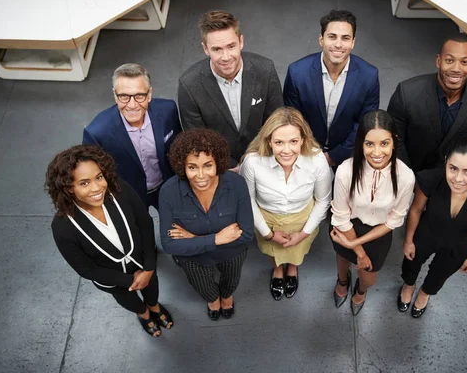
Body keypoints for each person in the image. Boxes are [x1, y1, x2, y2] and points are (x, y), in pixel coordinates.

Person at [47, 145, 173, 337]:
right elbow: (86, 269)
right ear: (68, 188)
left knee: (152, 289)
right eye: (84, 183)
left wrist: (148, 268)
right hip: (114, 281)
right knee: (129, 301)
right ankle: (145, 314)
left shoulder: (120, 191)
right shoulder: (63, 226)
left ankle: (154, 307)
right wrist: (130, 280)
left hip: (144, 263)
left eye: (98, 177)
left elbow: (145, 224)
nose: (97, 188)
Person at [398, 136, 467, 318]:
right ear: (446, 163)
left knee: (440, 274)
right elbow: (416, 210)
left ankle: (424, 293)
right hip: (426, 235)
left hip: (459, 244)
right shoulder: (432, 179)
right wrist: (409, 240)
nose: (458, 179)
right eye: (453, 169)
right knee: (411, 264)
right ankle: (408, 285)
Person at [159, 129, 254, 320]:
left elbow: (246, 235)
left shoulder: (236, 184)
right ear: (182, 167)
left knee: (231, 281)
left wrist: (193, 239)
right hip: (195, 259)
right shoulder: (169, 192)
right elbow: (169, 244)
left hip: (231, 253)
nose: (201, 175)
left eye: (207, 165)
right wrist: (216, 239)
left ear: (217, 163)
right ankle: (213, 301)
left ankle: (226, 297)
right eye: (192, 167)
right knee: (203, 286)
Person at [240, 107, 332, 300]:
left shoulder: (317, 160)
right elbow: (248, 201)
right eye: (279, 142)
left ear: (303, 140)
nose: (286, 150)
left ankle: (292, 269)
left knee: (297, 250)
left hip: (303, 218)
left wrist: (303, 234)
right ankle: (277, 271)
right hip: (266, 219)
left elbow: (323, 201)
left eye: (293, 141)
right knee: (273, 252)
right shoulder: (252, 162)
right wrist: (269, 234)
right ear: (269, 142)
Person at [330, 110, 415, 315]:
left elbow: (394, 220)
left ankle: (360, 290)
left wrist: (355, 246)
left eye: (384, 143)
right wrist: (356, 248)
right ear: (361, 143)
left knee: (369, 277)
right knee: (342, 259)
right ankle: (343, 281)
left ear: (394, 142)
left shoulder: (405, 176)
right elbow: (341, 217)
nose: (377, 152)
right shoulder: (345, 171)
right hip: (347, 227)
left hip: (379, 231)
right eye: (369, 144)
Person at [177, 10, 283, 169]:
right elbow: (199, 139)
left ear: (241, 42)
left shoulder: (265, 70)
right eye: (217, 49)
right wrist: (228, 167)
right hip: (223, 167)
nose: (226, 57)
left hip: (264, 157)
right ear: (205, 49)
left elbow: (276, 121)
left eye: (231, 46)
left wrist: (255, 159)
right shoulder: (189, 85)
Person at [283, 9, 379, 168]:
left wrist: (333, 157)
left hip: (348, 155)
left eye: (345, 38)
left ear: (353, 42)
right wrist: (312, 154)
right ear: (321, 39)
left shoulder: (369, 76)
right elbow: (293, 119)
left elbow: (364, 124)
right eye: (332, 37)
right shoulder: (297, 73)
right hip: (304, 153)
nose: (338, 44)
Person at [387, 33, 467, 172]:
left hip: (450, 177)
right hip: (409, 170)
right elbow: (394, 139)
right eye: (449, 60)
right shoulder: (406, 93)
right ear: (438, 61)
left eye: (464, 62)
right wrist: (407, 177)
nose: (456, 69)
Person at [83, 63, 181, 210]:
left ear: (149, 94)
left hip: (168, 187)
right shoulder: (97, 133)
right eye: (124, 96)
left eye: (139, 95)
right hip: (129, 198)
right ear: (115, 95)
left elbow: (180, 148)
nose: (132, 105)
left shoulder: (168, 110)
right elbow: (93, 175)